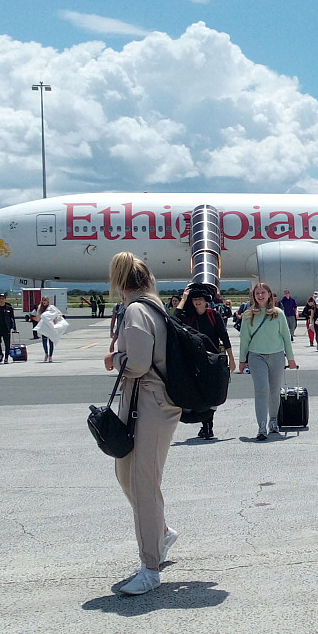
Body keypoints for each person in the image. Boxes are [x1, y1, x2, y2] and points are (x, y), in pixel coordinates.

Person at [104, 253, 181, 596]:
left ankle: (150, 566)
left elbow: (136, 364)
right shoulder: (152, 306)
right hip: (143, 402)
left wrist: (113, 358)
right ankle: (161, 532)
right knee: (127, 474)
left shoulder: (136, 310)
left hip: (150, 402)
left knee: (142, 481)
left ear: (119, 281)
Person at [238, 282, 299, 439]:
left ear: (269, 295)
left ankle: (273, 421)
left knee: (274, 391)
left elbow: (286, 337)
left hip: (277, 355)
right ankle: (261, 427)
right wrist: (242, 360)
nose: (260, 296)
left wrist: (291, 359)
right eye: (257, 293)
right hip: (256, 356)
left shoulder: (278, 313)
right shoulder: (248, 315)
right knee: (262, 389)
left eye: (263, 293)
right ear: (253, 296)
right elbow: (244, 340)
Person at [176, 286, 237, 439]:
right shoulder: (188, 316)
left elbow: (224, 336)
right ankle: (205, 424)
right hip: (194, 361)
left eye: (200, 299)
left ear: (206, 301)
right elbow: (174, 319)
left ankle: (207, 426)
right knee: (200, 392)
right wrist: (183, 299)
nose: (197, 301)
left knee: (211, 392)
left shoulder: (213, 315)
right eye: (194, 299)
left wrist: (231, 358)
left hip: (213, 360)